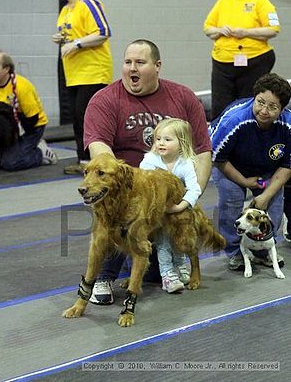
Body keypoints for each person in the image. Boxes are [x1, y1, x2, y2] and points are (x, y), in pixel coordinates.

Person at [83, 38, 212, 304]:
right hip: (127, 189)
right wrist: (132, 188)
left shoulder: (184, 97)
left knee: (155, 268)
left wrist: (190, 198)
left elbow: (202, 152)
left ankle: (158, 259)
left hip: (169, 192)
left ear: (157, 66)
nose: (132, 68)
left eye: (140, 63)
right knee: (114, 216)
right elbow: (99, 152)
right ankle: (105, 275)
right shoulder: (104, 101)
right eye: (128, 62)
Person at [209, 73, 291, 271]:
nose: (264, 111)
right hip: (230, 165)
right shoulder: (234, 120)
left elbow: (287, 166)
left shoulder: (287, 126)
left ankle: (263, 251)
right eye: (260, 102)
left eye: (273, 107)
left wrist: (266, 195)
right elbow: (218, 159)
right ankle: (236, 252)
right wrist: (244, 182)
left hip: (267, 168)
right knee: (232, 198)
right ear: (254, 98)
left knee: (273, 205)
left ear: (282, 109)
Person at [53, 0, 113, 175]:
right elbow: (73, 34)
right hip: (74, 73)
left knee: (87, 117)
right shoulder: (66, 10)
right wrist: (62, 39)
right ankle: (84, 162)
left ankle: (97, 161)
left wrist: (76, 43)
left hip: (93, 71)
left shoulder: (88, 3)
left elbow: (104, 31)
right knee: (78, 119)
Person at [204, 0, 280, 120]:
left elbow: (273, 29)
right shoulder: (224, 0)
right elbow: (208, 28)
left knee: (247, 103)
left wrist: (245, 32)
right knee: (220, 105)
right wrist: (219, 30)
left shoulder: (260, 0)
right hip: (223, 61)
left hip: (254, 60)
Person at [139, 118, 202, 293]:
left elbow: (194, 189)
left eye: (167, 139)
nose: (161, 143)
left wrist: (180, 207)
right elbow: (141, 183)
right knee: (164, 243)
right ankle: (168, 275)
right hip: (159, 213)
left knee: (180, 241)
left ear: (181, 143)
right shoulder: (149, 160)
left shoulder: (185, 163)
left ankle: (181, 266)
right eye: (158, 139)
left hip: (179, 210)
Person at [0, 50, 57, 171]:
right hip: (8, 125)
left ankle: (41, 153)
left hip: (31, 127)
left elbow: (33, 118)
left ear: (6, 69)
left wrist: (15, 138)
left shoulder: (21, 86)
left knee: (10, 163)